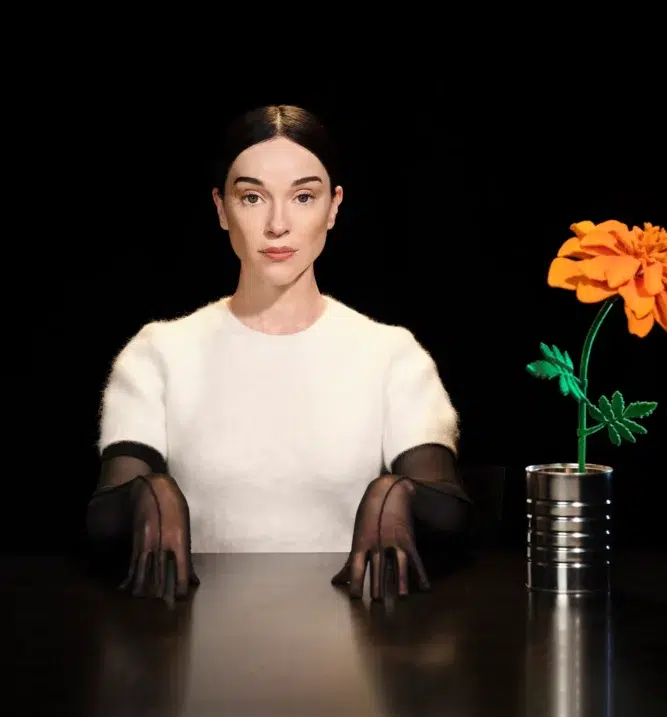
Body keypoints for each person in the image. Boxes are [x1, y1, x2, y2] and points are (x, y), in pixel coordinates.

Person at [86, 104, 474, 605]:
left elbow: (455, 514)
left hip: (354, 652)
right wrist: (147, 493)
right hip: (194, 651)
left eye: (303, 196)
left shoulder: (391, 354)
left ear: (333, 207)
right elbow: (101, 521)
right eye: (252, 197)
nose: (277, 224)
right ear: (221, 208)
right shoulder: (158, 352)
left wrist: (400, 493)